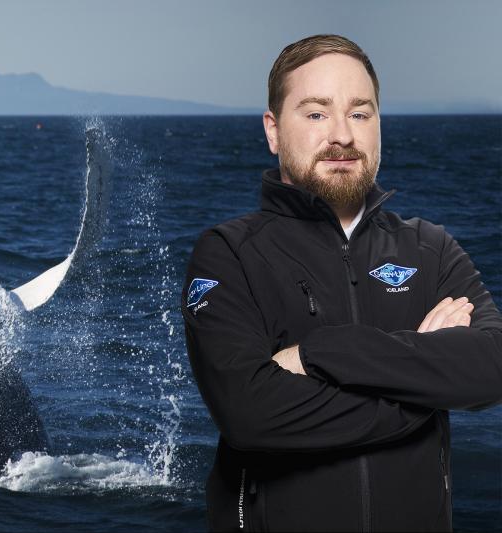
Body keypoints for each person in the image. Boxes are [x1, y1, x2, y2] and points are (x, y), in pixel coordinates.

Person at [182, 34, 502, 532]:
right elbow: (250, 414)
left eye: (359, 113)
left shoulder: (430, 248)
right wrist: (423, 385)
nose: (343, 135)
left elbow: (491, 368)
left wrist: (321, 353)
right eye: (316, 113)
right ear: (273, 131)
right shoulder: (228, 253)